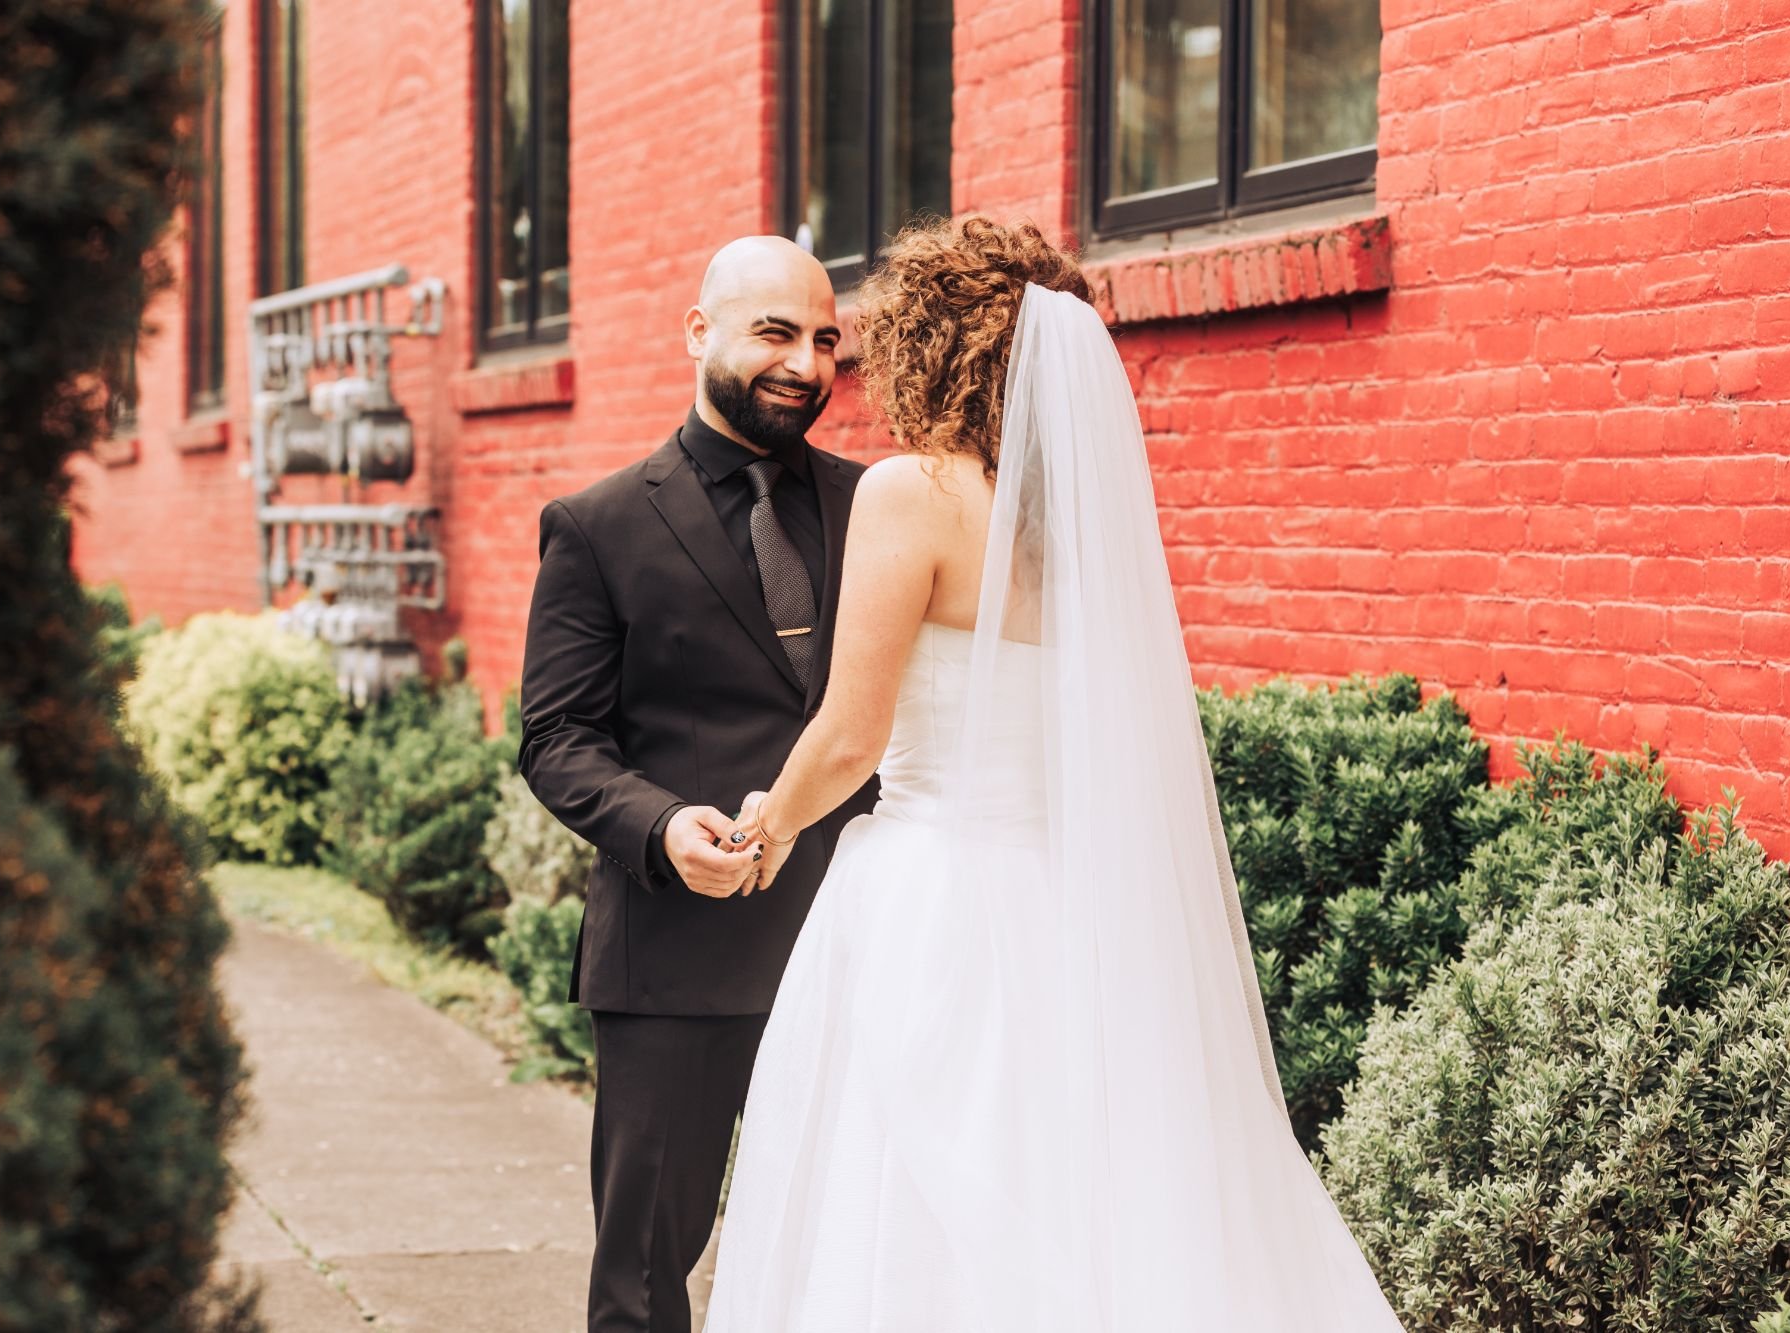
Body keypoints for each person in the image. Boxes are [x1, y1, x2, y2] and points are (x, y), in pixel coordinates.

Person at [703, 216, 1407, 1331]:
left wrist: (768, 827)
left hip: (928, 897)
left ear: (933, 346)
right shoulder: (1078, 523)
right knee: (1082, 1189)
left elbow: (848, 736)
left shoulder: (914, 492)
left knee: (904, 1196)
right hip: (1071, 907)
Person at [517, 234, 880, 1333]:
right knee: (644, 1273)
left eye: (824, 339)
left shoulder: (878, 506)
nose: (806, 364)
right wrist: (662, 822)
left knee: (853, 1254)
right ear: (698, 332)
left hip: (864, 938)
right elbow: (557, 738)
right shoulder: (599, 526)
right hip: (676, 955)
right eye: (775, 333)